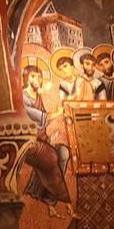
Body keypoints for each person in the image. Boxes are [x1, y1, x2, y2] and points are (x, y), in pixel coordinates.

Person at [21, 63, 75, 220]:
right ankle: (67, 203)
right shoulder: (22, 97)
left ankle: (48, 199)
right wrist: (58, 112)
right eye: (32, 76)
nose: (37, 79)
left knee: (63, 152)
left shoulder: (37, 97)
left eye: (38, 76)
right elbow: (41, 117)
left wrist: (50, 136)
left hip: (41, 140)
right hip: (27, 143)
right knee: (51, 157)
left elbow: (43, 125)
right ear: (26, 79)